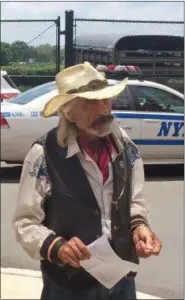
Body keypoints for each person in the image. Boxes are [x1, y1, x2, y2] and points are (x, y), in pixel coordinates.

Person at [13, 62, 162, 300]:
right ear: (67, 112)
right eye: (91, 102)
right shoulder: (44, 154)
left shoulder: (123, 145)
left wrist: (140, 227)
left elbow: (134, 199)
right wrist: (58, 247)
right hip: (70, 287)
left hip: (121, 279)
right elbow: (25, 222)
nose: (104, 109)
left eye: (106, 99)